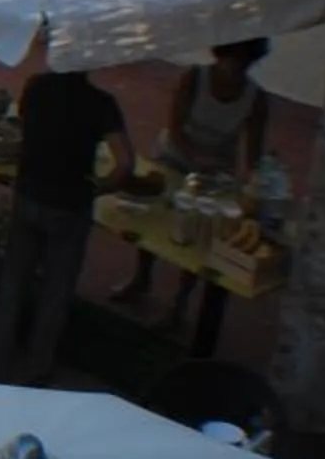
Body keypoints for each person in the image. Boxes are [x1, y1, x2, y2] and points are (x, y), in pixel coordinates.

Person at [0, 43, 137, 386]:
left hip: (30, 191)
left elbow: (23, 126)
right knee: (56, 289)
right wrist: (100, 187)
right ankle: (38, 367)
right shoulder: (101, 104)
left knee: (13, 282)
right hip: (70, 202)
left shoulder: (36, 87)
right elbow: (125, 163)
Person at [112, 39, 272, 320]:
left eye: (244, 63)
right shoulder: (194, 78)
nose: (236, 69)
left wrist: (254, 186)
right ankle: (142, 277)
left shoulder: (256, 99)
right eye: (233, 60)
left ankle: (181, 301)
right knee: (154, 219)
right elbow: (175, 128)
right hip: (177, 156)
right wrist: (196, 158)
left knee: (200, 234)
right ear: (220, 55)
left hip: (217, 174)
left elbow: (253, 153)